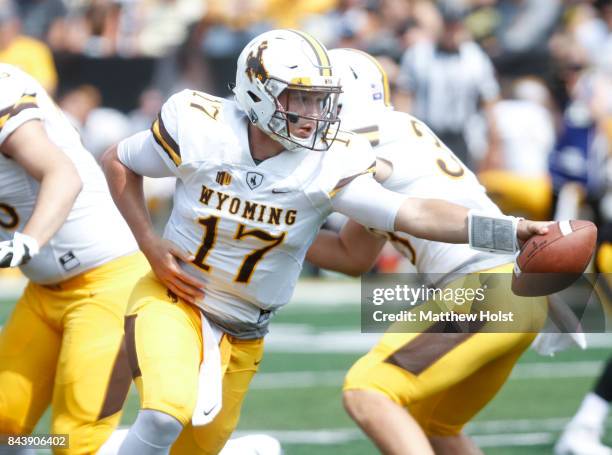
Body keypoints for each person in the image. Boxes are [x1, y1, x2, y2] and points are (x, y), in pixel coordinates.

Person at [101, 29, 549, 455]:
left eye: (320, 100)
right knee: (163, 416)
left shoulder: (331, 160)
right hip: (176, 299)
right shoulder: (202, 125)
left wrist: (507, 229)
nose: (314, 114)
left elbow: (412, 212)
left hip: (244, 331)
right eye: (302, 98)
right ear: (259, 91)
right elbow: (119, 160)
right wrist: (148, 241)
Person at [305, 48, 549, 455]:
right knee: (432, 425)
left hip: (482, 294)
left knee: (368, 391)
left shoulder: (356, 139)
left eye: (313, 97)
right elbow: (352, 255)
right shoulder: (399, 129)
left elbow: (402, 199)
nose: (307, 109)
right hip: (516, 291)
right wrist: (272, 234)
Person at [0, 63, 148, 454]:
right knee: (4, 424)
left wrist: (26, 242)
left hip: (109, 281)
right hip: (45, 291)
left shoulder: (2, 90)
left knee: (74, 441)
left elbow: (63, 175)